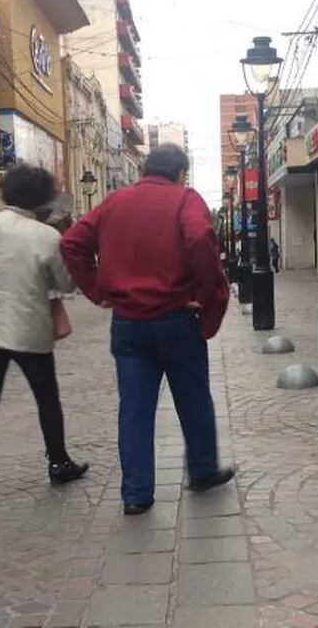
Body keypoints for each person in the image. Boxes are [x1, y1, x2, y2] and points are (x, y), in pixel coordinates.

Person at [60, 144, 234, 516]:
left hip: (128, 323)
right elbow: (201, 236)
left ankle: (136, 494)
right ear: (181, 173)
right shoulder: (185, 199)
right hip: (175, 317)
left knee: (135, 408)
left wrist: (98, 290)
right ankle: (202, 470)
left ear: (142, 169)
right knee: (193, 397)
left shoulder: (114, 202)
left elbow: (72, 243)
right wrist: (206, 294)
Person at [0, 165, 89, 511]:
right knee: (46, 398)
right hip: (29, 328)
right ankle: (58, 462)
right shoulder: (46, 237)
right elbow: (66, 284)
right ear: (42, 198)